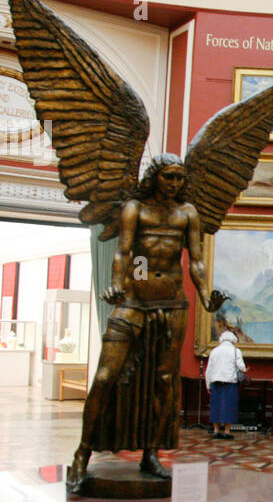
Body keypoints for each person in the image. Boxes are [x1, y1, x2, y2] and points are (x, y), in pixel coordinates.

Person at [70, 155, 225, 483]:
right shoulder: (134, 209)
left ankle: (151, 453)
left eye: (180, 178)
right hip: (132, 302)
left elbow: (195, 260)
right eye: (169, 177)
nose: (175, 184)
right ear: (155, 176)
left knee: (164, 382)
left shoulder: (188, 213)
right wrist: (116, 283)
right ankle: (83, 451)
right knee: (105, 376)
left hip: (172, 304)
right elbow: (124, 252)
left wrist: (206, 295)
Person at [205, 329, 246, 439]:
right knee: (229, 407)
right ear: (233, 340)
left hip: (215, 381)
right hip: (230, 382)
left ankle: (216, 430)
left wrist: (208, 385)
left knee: (215, 407)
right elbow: (241, 367)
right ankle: (227, 431)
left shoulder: (214, 351)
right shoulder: (236, 351)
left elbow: (209, 370)